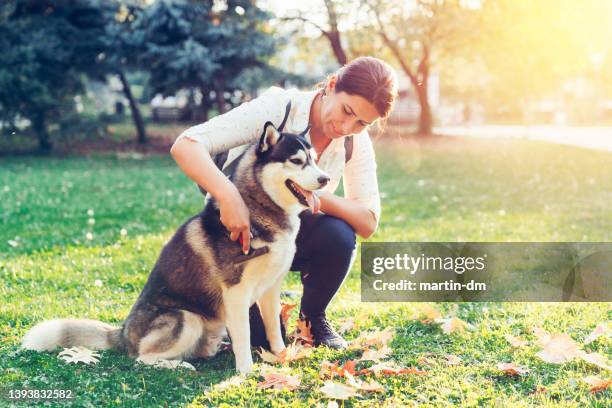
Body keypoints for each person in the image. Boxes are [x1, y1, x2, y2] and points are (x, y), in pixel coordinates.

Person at [170, 56, 397, 349]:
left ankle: (312, 319)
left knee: (338, 234)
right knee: (262, 342)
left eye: (361, 122)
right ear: (331, 85)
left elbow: (367, 221)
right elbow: (187, 145)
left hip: (290, 233)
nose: (346, 126)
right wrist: (229, 197)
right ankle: (238, 309)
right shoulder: (280, 108)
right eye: (347, 111)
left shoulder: (355, 140)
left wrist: (312, 196)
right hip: (240, 236)